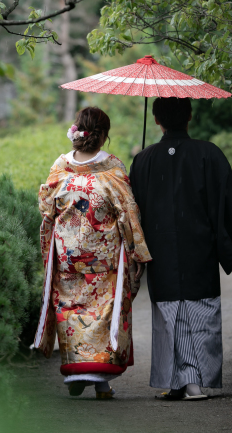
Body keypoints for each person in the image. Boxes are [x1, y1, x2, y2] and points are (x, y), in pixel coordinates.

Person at [129, 97, 232, 401]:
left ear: (156, 120)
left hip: (161, 249)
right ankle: (193, 382)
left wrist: (134, 249)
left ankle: (182, 382)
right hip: (200, 246)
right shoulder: (209, 154)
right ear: (190, 116)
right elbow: (227, 200)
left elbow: (133, 213)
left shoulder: (143, 160)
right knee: (199, 309)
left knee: (170, 314)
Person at [34, 106, 152, 400]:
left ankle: (77, 372)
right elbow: (129, 214)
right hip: (104, 260)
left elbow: (46, 210)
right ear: (105, 136)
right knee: (102, 315)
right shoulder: (113, 169)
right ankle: (100, 380)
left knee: (71, 314)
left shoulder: (60, 167)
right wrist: (138, 252)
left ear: (77, 131)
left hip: (68, 258)